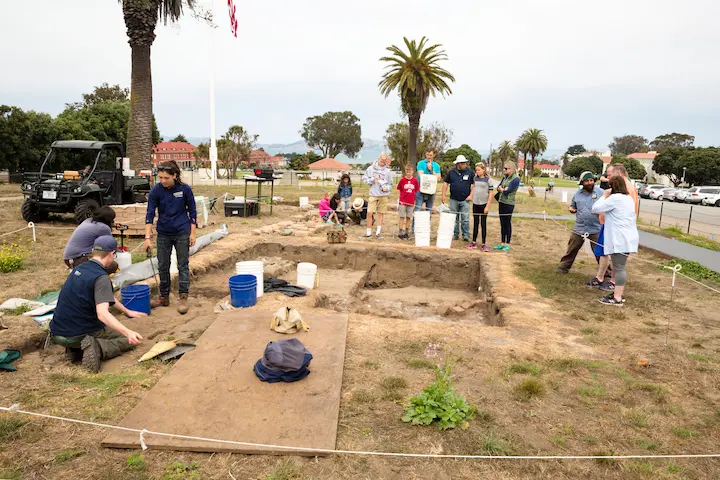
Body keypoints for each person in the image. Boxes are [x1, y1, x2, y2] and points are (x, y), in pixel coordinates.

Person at [49, 236, 145, 373]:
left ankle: (75, 350)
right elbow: (102, 313)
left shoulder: (80, 268)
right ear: (112, 254)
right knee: (127, 340)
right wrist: (128, 332)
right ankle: (97, 347)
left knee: (85, 323)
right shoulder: (101, 277)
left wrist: (127, 311)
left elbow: (106, 296)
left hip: (58, 333)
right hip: (78, 334)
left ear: (94, 251)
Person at [144, 160, 197, 315]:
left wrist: (192, 234)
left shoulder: (185, 190)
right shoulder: (156, 191)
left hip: (182, 232)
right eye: (160, 177)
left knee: (183, 265)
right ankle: (164, 296)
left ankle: (183, 297)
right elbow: (149, 214)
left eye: (166, 178)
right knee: (162, 265)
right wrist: (147, 238)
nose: (162, 181)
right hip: (163, 233)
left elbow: (192, 212)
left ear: (174, 175)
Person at [591, 175, 639, 306]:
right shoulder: (628, 198)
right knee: (619, 267)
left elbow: (595, 208)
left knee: (619, 268)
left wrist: (604, 196)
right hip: (627, 237)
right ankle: (618, 293)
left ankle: (617, 297)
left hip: (620, 239)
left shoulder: (615, 198)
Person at [556, 171, 607, 274]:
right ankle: (562, 268)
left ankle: (607, 274)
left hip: (596, 228)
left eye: (591, 180)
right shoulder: (577, 194)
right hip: (579, 228)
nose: (589, 183)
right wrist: (571, 209)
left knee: (600, 253)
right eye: (587, 181)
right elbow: (573, 206)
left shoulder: (601, 192)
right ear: (582, 183)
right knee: (571, 249)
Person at [442, 155, 474, 243]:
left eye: (465, 163)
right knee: (453, 218)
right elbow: (445, 183)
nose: (464, 164)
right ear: (458, 164)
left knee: (465, 218)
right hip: (453, 199)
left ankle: (466, 235)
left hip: (465, 199)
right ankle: (455, 234)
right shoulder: (451, 172)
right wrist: (443, 195)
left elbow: (473, 185)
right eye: (463, 163)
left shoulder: (470, 172)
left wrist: (471, 195)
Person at [362, 153, 392, 239]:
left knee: (381, 213)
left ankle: (378, 233)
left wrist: (386, 188)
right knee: (369, 212)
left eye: (384, 161)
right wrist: (372, 179)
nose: (383, 163)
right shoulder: (370, 169)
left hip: (383, 195)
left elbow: (390, 184)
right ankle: (368, 232)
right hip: (373, 194)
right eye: (381, 161)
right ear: (378, 159)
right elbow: (365, 179)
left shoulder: (387, 171)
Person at [494, 161, 521, 252]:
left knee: (507, 223)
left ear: (512, 169)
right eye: (504, 168)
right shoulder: (504, 177)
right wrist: (502, 189)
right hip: (501, 201)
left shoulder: (515, 179)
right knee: (502, 223)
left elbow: (507, 191)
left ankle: (507, 243)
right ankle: (502, 242)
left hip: (509, 203)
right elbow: (498, 187)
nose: (504, 170)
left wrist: (503, 189)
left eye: (506, 168)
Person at [467, 162, 493, 251]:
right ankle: (473, 242)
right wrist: (470, 196)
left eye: (479, 170)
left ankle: (483, 244)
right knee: (475, 223)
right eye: (476, 170)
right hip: (476, 204)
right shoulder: (475, 178)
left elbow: (491, 193)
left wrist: (487, 206)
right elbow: (473, 188)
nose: (477, 171)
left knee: (483, 224)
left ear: (483, 170)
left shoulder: (488, 180)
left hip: (484, 204)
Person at [415, 149, 442, 214]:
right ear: (425, 154)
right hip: (421, 189)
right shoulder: (420, 163)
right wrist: (427, 169)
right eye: (427, 155)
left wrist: (432, 170)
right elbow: (420, 175)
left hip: (431, 190)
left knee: (429, 210)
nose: (429, 157)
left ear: (434, 155)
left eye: (430, 155)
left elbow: (438, 178)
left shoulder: (436, 165)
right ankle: (415, 224)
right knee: (418, 208)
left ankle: (427, 223)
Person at [397, 166, 420, 240]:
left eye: (410, 171)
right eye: (407, 171)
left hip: (411, 202)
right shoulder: (402, 180)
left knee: (408, 217)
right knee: (402, 216)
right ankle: (400, 231)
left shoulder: (415, 181)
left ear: (413, 172)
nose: (409, 173)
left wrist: (414, 201)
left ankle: (406, 231)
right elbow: (400, 189)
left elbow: (416, 190)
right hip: (403, 201)